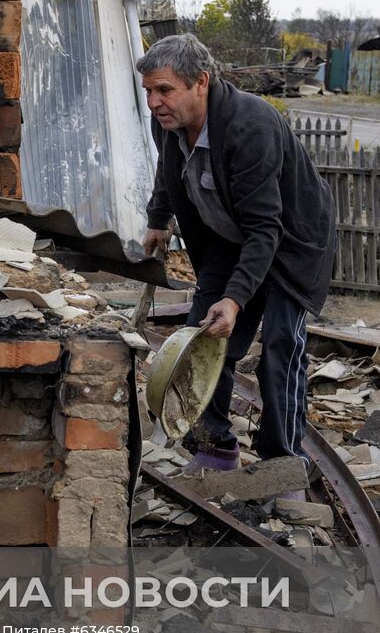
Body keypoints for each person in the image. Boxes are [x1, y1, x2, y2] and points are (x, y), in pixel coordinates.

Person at [136, 34, 335, 475]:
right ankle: (216, 445)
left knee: (281, 345)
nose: (153, 102)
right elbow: (168, 172)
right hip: (228, 237)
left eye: (164, 89)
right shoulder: (167, 122)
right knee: (203, 336)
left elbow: (267, 227)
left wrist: (237, 297)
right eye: (149, 90)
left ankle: (283, 461)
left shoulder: (251, 126)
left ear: (200, 83)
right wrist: (158, 218)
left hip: (292, 241)